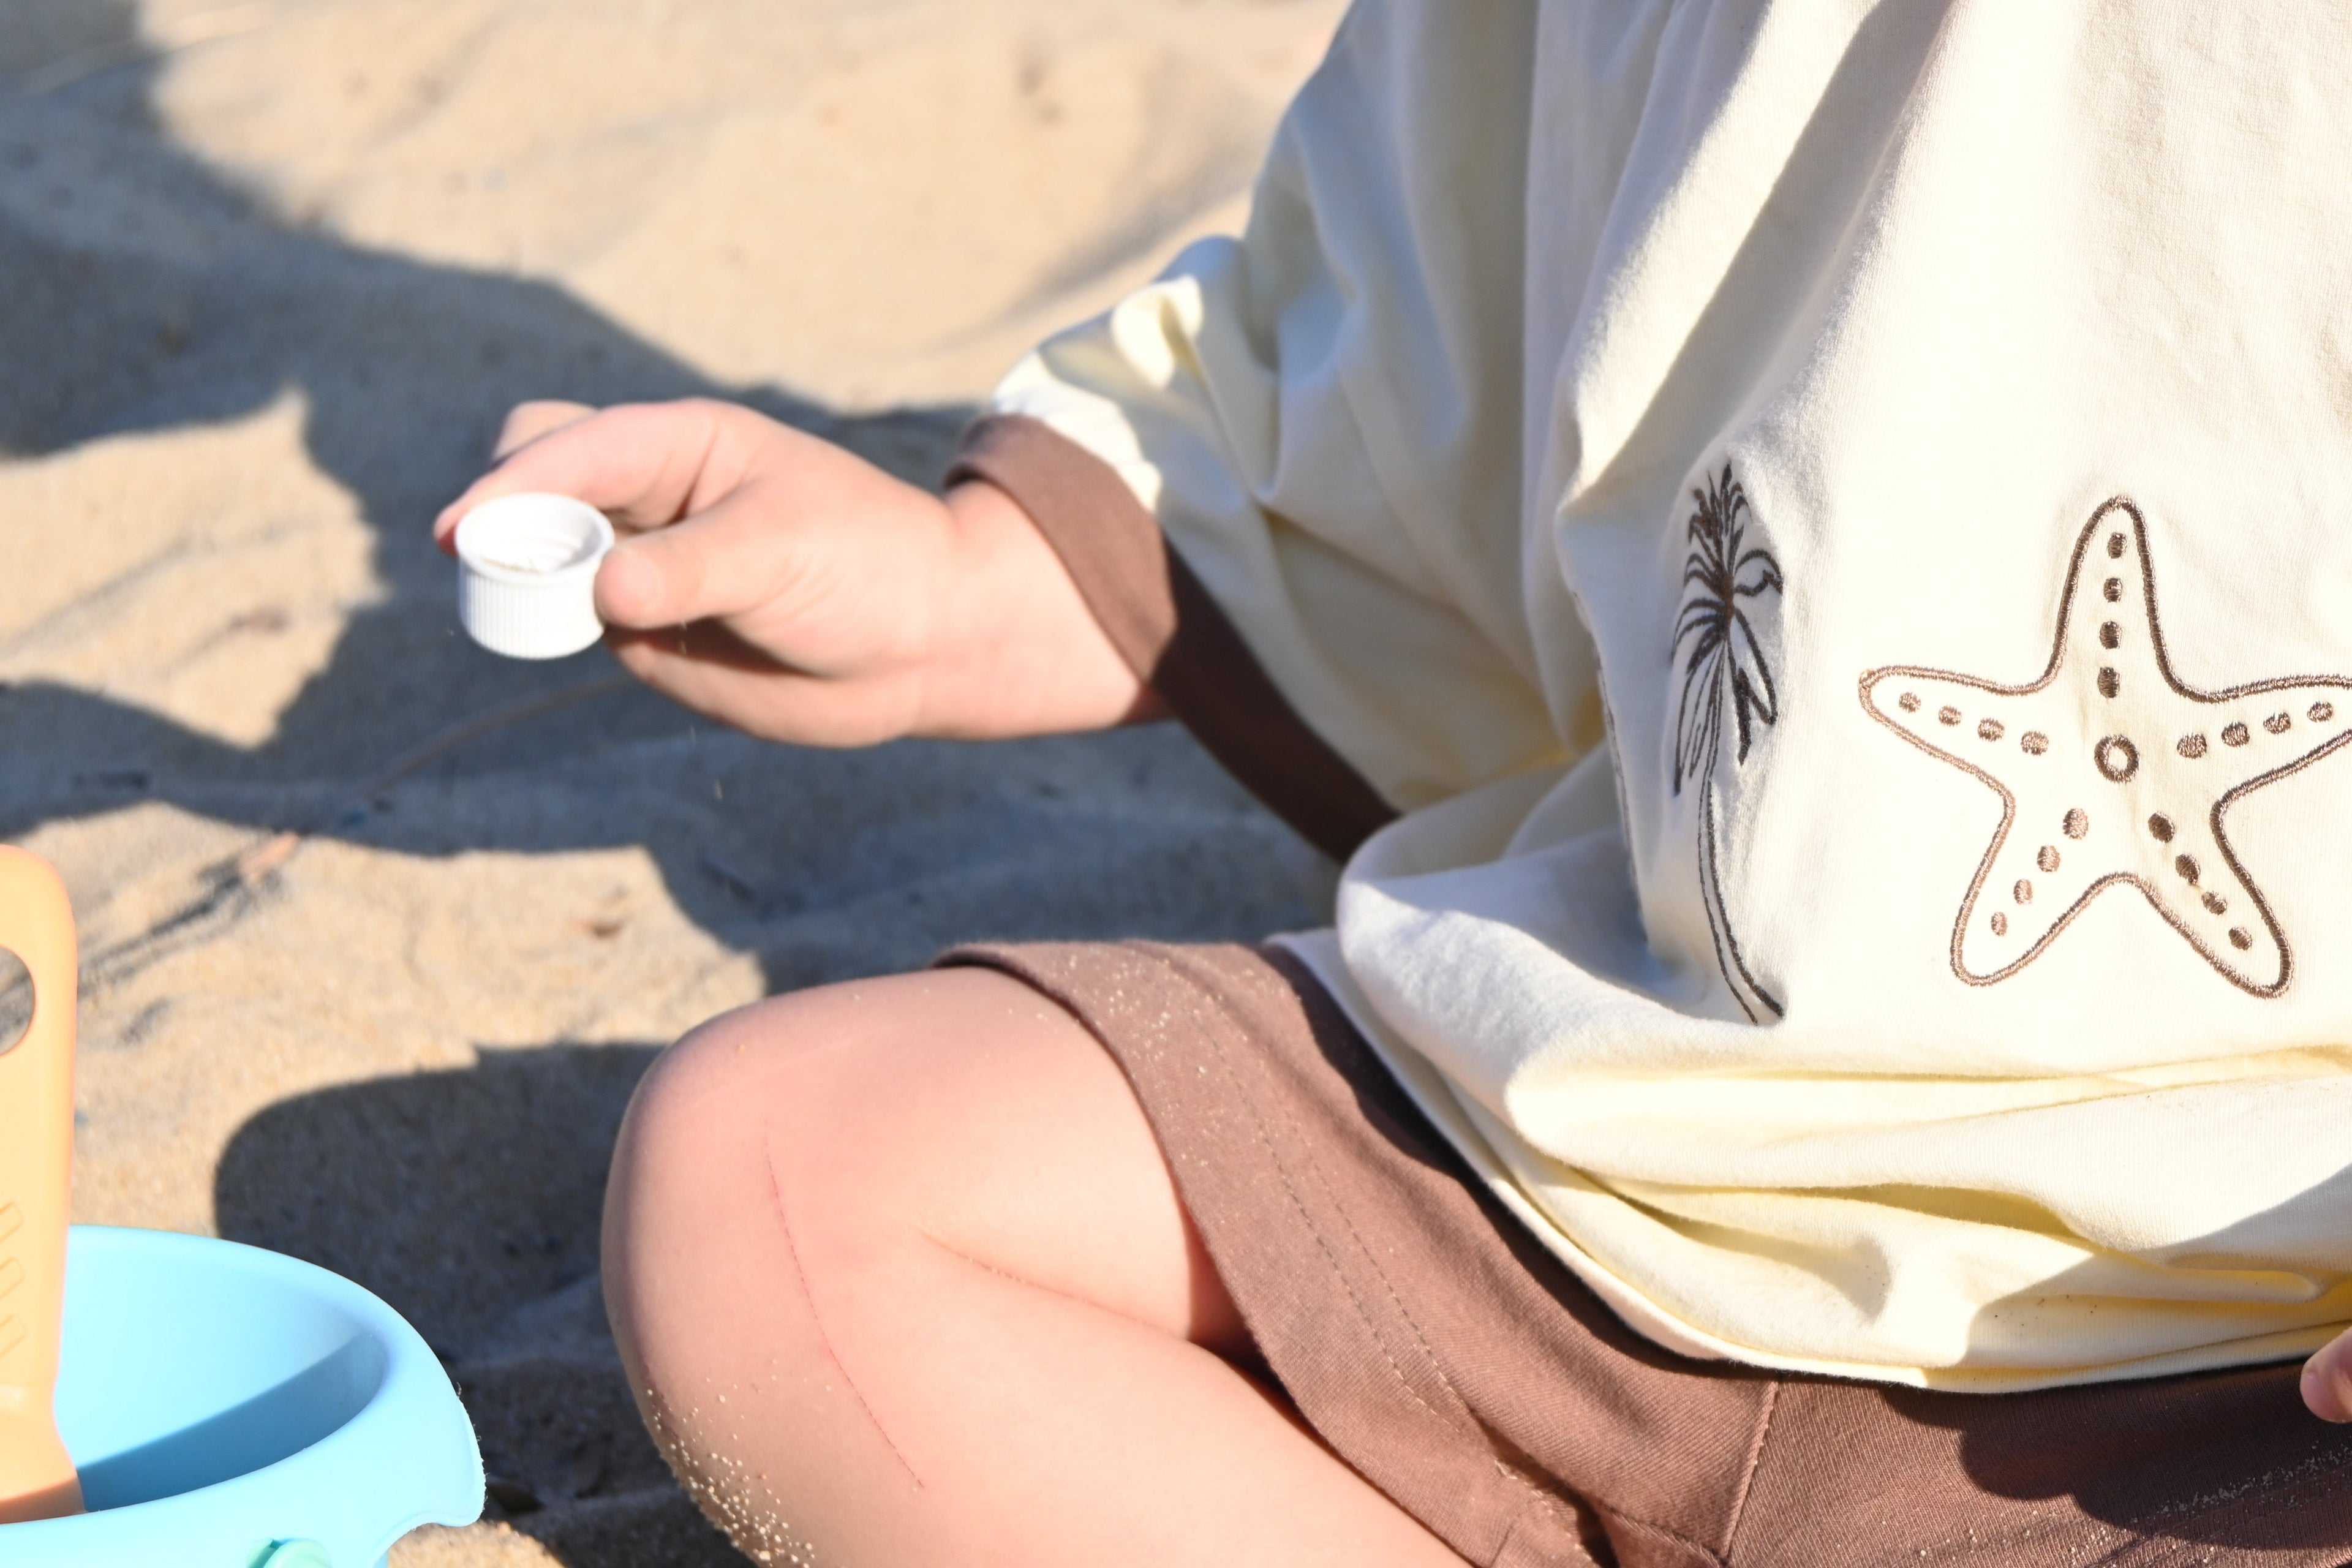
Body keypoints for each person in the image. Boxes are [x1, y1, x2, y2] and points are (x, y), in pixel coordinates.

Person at [436, 4, 2352, 1563]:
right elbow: (1432, 268)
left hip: (2238, 1347)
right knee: (777, 1175)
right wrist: (971, 591)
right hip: (1624, 1131)